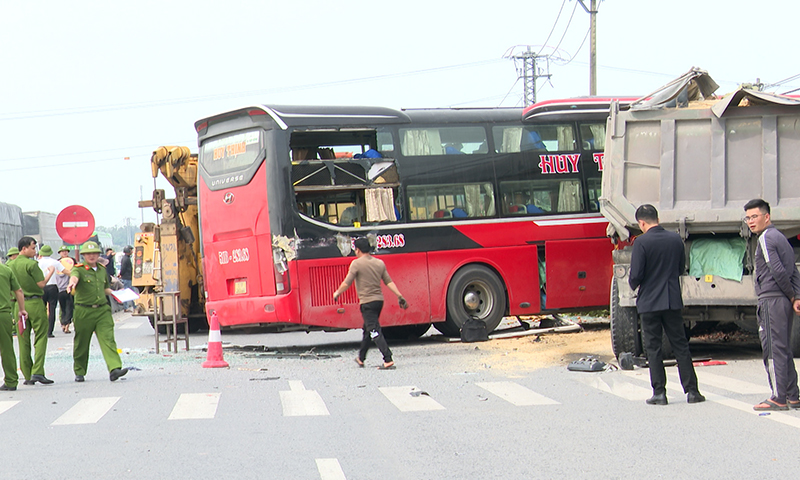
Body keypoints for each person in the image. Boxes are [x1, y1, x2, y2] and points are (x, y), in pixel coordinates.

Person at [629, 204, 704, 405]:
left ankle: (660, 393)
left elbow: (636, 274)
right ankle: (692, 391)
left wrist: (633, 284)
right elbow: (681, 267)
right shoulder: (675, 239)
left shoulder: (641, 243)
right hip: (671, 300)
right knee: (680, 345)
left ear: (642, 223)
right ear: (658, 219)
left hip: (649, 303)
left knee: (653, 348)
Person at [744, 199, 800, 411]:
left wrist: (791, 294)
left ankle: (778, 397)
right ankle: (793, 396)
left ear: (766, 217)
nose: (751, 221)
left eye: (754, 216)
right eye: (748, 218)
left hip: (772, 299)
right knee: (783, 348)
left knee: (773, 350)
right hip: (783, 300)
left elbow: (776, 270)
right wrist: (795, 297)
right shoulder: (782, 238)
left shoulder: (766, 238)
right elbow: (793, 270)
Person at [332, 237, 408, 369]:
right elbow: (389, 282)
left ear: (358, 250)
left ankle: (387, 358)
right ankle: (361, 358)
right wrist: (399, 295)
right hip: (379, 301)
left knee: (373, 330)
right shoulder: (379, 263)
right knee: (367, 329)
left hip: (367, 302)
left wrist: (337, 292)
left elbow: (347, 282)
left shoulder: (356, 264)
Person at [67, 241, 128, 382]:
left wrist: (115, 293)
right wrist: (72, 283)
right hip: (84, 311)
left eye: (94, 253)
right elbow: (74, 277)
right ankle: (79, 371)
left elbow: (105, 288)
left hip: (102, 310)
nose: (92, 256)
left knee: (108, 339)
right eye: (88, 254)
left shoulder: (101, 270)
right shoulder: (79, 269)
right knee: (82, 342)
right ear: (83, 256)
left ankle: (114, 368)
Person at [9, 237, 55, 385]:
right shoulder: (32, 265)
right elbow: (41, 284)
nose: (35, 252)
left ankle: (27, 374)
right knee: (41, 336)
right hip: (34, 302)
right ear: (24, 249)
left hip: (18, 305)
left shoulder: (11, 265)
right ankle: (38, 371)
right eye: (33, 248)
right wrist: (50, 273)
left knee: (23, 339)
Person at [0, 259, 25, 390]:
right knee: (6, 349)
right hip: (3, 314)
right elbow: (18, 291)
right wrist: (22, 309)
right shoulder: (5, 270)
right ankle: (11, 381)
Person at [37, 245, 64, 338]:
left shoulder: (37, 262)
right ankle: (50, 332)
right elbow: (65, 271)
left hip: (41, 287)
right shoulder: (55, 262)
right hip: (53, 287)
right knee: (52, 309)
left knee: (42, 309)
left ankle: (42, 330)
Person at [56, 246, 75, 334]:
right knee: (63, 307)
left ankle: (66, 324)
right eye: (62, 251)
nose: (64, 253)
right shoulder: (57, 263)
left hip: (69, 288)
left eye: (66, 251)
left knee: (69, 307)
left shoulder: (72, 262)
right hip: (60, 289)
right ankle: (64, 323)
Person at [118, 245, 134, 312]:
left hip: (128, 278)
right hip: (127, 278)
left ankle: (132, 306)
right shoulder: (125, 259)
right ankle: (127, 307)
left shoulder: (126, 258)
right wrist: (121, 274)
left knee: (130, 293)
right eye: (130, 250)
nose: (132, 251)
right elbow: (123, 268)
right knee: (130, 293)